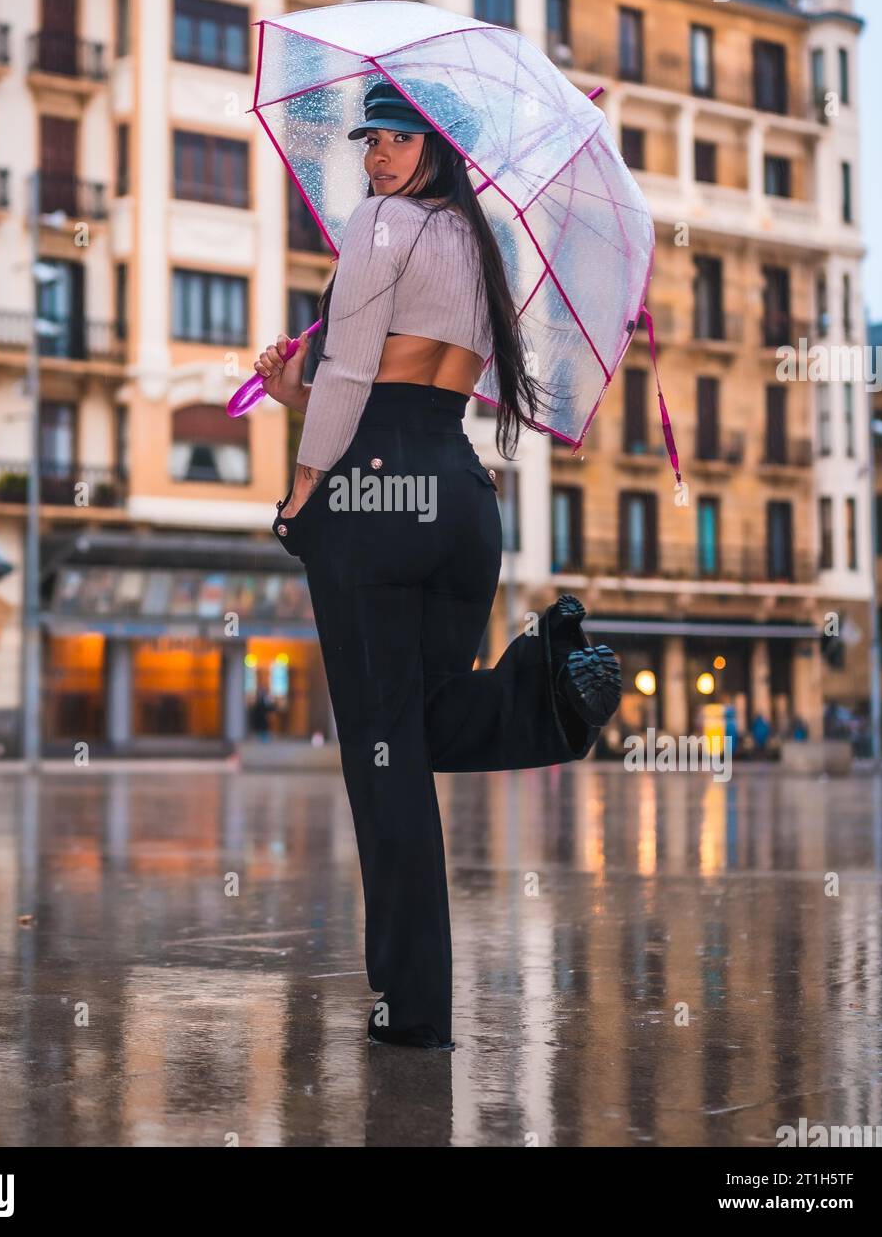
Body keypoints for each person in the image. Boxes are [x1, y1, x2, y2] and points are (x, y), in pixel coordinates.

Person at [254, 79, 622, 1051]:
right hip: (458, 497)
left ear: (437, 146)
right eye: (368, 139)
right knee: (416, 724)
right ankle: (551, 688)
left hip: (374, 504)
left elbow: (352, 372)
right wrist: (298, 391)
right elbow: (396, 386)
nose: (376, 154)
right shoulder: (478, 244)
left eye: (397, 136)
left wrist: (300, 492)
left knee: (380, 759)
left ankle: (410, 1009)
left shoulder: (380, 224)